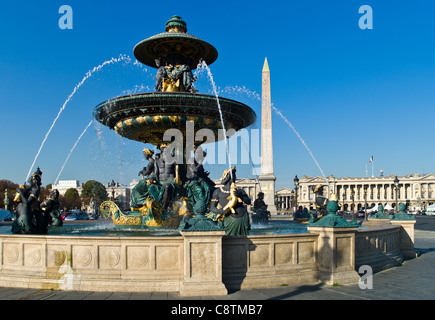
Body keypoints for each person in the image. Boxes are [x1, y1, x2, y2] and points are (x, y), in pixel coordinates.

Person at [209, 167, 251, 235]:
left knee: (243, 240)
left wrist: (240, 195)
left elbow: (248, 201)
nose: (233, 177)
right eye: (231, 174)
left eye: (234, 175)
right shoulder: (218, 191)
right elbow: (212, 208)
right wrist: (221, 211)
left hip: (243, 217)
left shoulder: (240, 191)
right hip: (228, 218)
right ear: (226, 177)